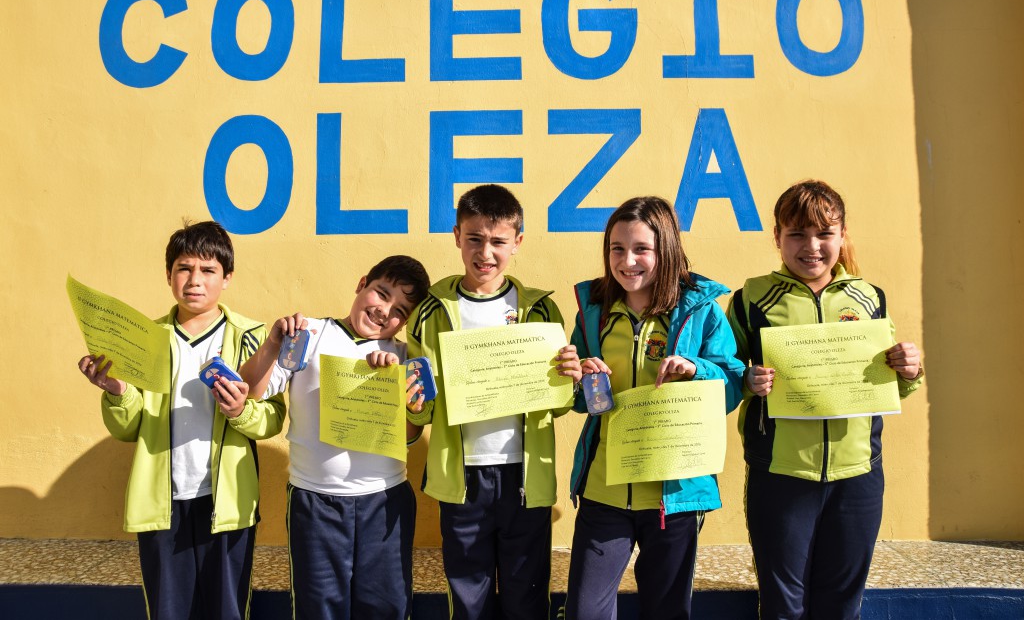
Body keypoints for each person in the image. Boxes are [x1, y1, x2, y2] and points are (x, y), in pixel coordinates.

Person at [727, 180, 924, 619]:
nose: (811, 246)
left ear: (842, 235)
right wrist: (747, 379)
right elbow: (724, 372)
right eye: (797, 234)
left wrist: (910, 369)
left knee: (841, 604)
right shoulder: (750, 299)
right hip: (780, 472)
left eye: (824, 234)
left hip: (858, 474)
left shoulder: (869, 298)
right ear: (777, 236)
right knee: (783, 605)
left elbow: (892, 382)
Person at [77, 220, 283, 620]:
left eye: (208, 270)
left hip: (227, 505)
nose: (195, 280)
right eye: (184, 268)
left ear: (227, 278)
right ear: (168, 275)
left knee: (227, 609)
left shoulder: (252, 336)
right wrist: (117, 391)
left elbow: (273, 417)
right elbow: (127, 428)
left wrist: (240, 411)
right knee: (168, 610)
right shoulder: (145, 339)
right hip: (162, 505)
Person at [563, 196, 745, 620]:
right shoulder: (593, 310)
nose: (627, 261)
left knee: (666, 611)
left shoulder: (701, 309)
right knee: (585, 612)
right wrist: (578, 378)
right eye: (617, 248)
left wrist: (696, 370)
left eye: (642, 249)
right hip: (604, 490)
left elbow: (733, 385)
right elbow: (581, 402)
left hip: (674, 496)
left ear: (667, 249)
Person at [406, 184, 582, 620]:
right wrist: (414, 402)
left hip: (525, 475)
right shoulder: (431, 310)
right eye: (474, 239)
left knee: (527, 595)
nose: (486, 253)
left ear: (517, 242)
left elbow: (557, 404)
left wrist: (570, 381)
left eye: (499, 242)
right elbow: (423, 408)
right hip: (461, 478)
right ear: (457, 236)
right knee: (469, 597)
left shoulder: (540, 310)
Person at [239, 255, 430, 620]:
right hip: (315, 501)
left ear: (405, 322)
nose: (384, 311)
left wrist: (394, 391)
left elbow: (409, 436)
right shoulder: (307, 335)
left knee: (387, 608)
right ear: (362, 284)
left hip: (384, 500)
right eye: (382, 293)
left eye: (399, 311)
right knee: (318, 608)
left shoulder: (402, 357)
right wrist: (273, 344)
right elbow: (250, 390)